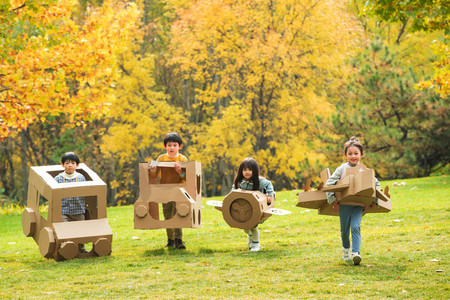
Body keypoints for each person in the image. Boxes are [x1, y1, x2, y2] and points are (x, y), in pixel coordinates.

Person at [325, 137, 379, 265]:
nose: (353, 156)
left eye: (356, 153)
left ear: (361, 155)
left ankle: (356, 253)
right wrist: (332, 199)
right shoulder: (342, 169)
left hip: (358, 205)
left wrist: (374, 200)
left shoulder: (364, 170)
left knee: (356, 226)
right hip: (344, 204)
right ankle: (346, 250)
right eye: (350, 153)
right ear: (345, 155)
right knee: (344, 231)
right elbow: (329, 183)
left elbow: (376, 184)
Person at [149, 132, 188, 249]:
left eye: (174, 145)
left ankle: (179, 239)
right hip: (165, 191)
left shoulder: (182, 158)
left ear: (179, 147)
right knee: (167, 215)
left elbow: (186, 176)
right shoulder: (161, 158)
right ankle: (170, 239)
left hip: (179, 191)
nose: (172, 148)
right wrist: (152, 170)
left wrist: (179, 171)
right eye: (169, 145)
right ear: (165, 146)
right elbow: (154, 175)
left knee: (178, 214)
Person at [232, 157, 274, 252]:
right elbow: (233, 190)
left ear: (254, 171)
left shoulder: (259, 181)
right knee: (245, 227)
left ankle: (255, 245)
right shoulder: (240, 181)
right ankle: (250, 236)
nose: (247, 172)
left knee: (253, 226)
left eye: (250, 170)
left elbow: (269, 184)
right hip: (243, 209)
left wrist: (269, 194)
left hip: (255, 209)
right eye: (245, 170)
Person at [54, 152, 87, 253]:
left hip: (78, 210)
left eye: (73, 163)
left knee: (81, 230)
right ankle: (67, 249)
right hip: (64, 210)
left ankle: (81, 249)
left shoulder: (81, 177)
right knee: (65, 230)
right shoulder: (58, 178)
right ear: (62, 165)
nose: (70, 165)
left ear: (77, 165)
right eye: (67, 163)